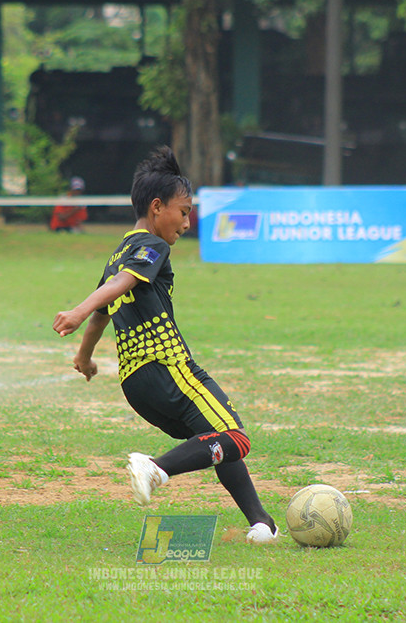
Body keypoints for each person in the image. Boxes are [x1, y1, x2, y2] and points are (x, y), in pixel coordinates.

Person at [52, 147, 279, 543]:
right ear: (157, 207)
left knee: (214, 438)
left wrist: (84, 357)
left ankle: (262, 524)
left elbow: (106, 306)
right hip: (168, 367)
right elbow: (113, 292)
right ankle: (156, 469)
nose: (188, 222)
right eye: (184, 210)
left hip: (136, 384)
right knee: (235, 437)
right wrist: (77, 310)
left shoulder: (118, 253)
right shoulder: (153, 247)